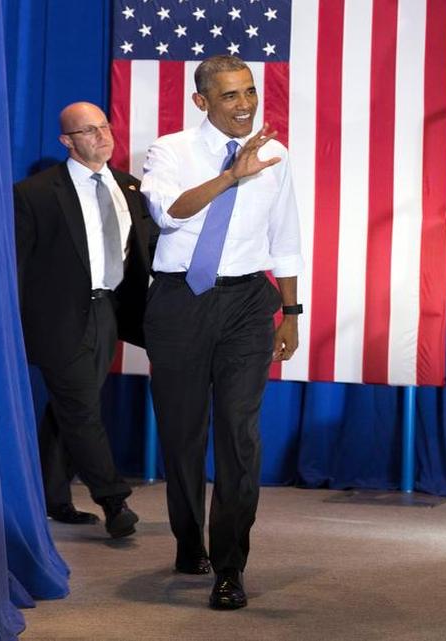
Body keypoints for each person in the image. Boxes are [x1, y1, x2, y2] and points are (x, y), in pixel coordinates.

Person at [140, 55, 303, 610]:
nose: (246, 104)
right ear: (202, 101)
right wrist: (232, 175)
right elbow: (168, 213)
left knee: (239, 435)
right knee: (184, 434)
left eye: (250, 91)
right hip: (179, 302)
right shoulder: (170, 150)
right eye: (231, 95)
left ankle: (231, 567)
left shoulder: (276, 155)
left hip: (245, 305)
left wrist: (292, 312)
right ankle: (190, 542)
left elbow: (285, 238)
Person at [13, 102, 153, 539]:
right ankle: (114, 500)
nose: (102, 136)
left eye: (105, 127)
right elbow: (17, 265)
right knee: (81, 408)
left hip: (108, 312)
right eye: (89, 130)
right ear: (67, 141)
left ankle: (52, 499)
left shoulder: (130, 187)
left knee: (70, 408)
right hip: (56, 319)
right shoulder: (34, 193)